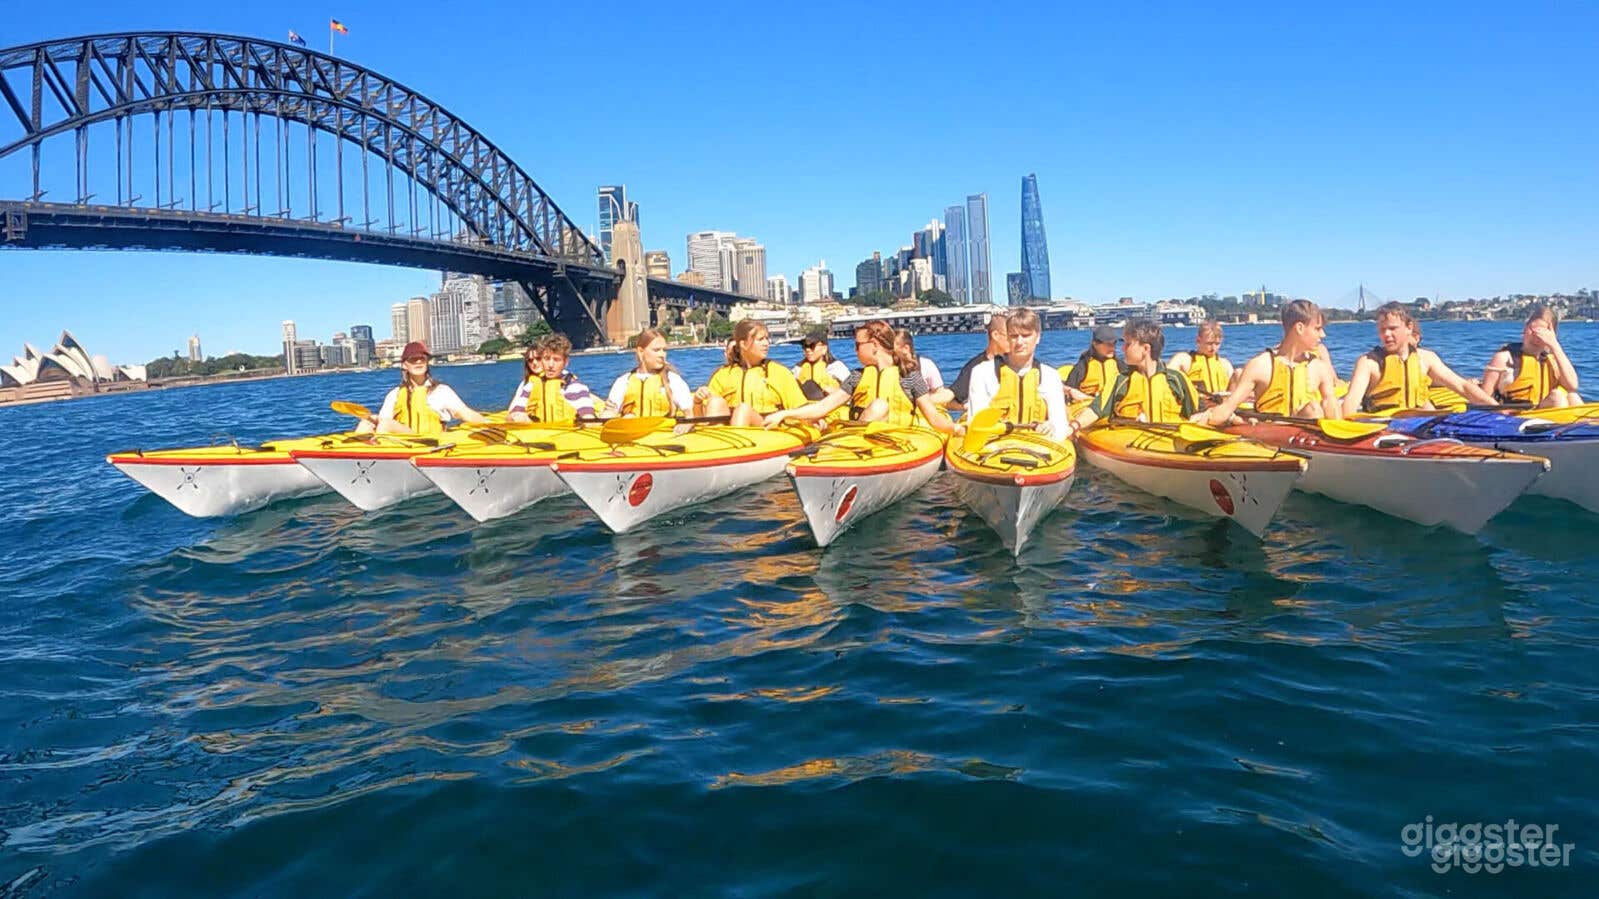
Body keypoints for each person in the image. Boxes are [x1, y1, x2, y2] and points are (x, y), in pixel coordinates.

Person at [764, 320, 955, 433]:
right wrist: (785, 414)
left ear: (874, 346)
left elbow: (934, 419)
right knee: (878, 406)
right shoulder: (857, 377)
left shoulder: (910, 377)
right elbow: (823, 407)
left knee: (880, 406)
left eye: (857, 345)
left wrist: (957, 429)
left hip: (897, 444)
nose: (854, 350)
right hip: (860, 443)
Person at [1195, 300, 1341, 425]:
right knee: (1313, 409)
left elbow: (1331, 406)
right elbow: (1228, 407)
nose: (1323, 334)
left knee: (1314, 409)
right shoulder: (1261, 365)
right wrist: (1207, 418)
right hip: (1270, 433)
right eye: (1317, 329)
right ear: (1300, 328)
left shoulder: (1319, 367)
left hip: (1308, 432)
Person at [1342, 302, 1495, 415]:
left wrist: (1497, 408)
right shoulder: (1368, 363)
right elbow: (1350, 406)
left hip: (1419, 425)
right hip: (1384, 428)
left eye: (1392, 328)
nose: (1386, 334)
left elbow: (1462, 387)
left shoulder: (1426, 358)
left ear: (1409, 328)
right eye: (1382, 329)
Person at [1068, 319, 1200, 434]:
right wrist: (1073, 427)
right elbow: (1096, 410)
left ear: (1145, 349)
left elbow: (1195, 415)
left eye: (1128, 344)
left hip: (1170, 441)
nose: (1122, 349)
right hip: (1130, 441)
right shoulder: (1120, 381)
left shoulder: (1177, 380)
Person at [964, 309, 1069, 441]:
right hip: (996, 445)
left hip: (1037, 444)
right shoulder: (982, 372)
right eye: (1014, 336)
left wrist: (1050, 426)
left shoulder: (1050, 376)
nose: (1019, 342)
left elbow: (1060, 426)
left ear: (1038, 337)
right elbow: (976, 422)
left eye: (1026, 335)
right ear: (1007, 338)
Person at [694, 319, 810, 427]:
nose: (766, 343)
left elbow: (800, 407)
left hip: (767, 428)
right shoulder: (723, 375)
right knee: (716, 402)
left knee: (743, 410)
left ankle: (739, 437)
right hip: (729, 432)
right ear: (743, 344)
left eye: (766, 338)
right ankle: (720, 441)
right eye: (760, 339)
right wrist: (697, 402)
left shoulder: (779, 372)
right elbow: (701, 419)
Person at [358, 341, 486, 436]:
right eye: (413, 359)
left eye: (422, 359)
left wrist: (488, 423)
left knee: (386, 424)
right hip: (402, 443)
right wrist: (373, 419)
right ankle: (357, 459)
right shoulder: (395, 394)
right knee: (365, 424)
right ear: (404, 365)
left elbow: (464, 412)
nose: (418, 362)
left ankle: (379, 458)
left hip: (429, 444)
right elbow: (383, 419)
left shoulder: (441, 391)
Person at [1481, 304, 1583, 408]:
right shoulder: (1504, 358)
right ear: (1525, 329)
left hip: (1544, 412)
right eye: (1533, 329)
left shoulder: (1553, 361)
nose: (1536, 336)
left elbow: (1572, 386)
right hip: (1514, 414)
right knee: (1556, 397)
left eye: (1543, 333)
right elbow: (1483, 398)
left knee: (1573, 396)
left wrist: (1554, 345)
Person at [508, 333, 597, 423]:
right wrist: (522, 417)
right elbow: (513, 415)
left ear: (565, 362)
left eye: (556, 360)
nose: (550, 365)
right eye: (546, 359)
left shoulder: (575, 387)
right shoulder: (531, 386)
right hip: (537, 429)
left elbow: (588, 417)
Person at [606, 327, 693, 418]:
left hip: (663, 426)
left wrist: (684, 423)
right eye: (656, 350)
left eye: (664, 350)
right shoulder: (623, 382)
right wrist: (609, 413)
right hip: (630, 425)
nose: (662, 355)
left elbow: (690, 415)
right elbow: (608, 414)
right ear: (641, 352)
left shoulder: (673, 380)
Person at [949, 313, 1011, 409]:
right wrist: (965, 406)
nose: (1015, 341)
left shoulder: (1018, 362)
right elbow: (952, 398)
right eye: (1010, 336)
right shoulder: (975, 367)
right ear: (995, 335)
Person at [1167, 321, 1234, 402]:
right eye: (1209, 343)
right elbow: (1166, 377)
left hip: (1222, 405)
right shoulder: (1185, 359)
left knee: (1238, 373)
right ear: (1198, 340)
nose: (1213, 348)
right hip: (1197, 405)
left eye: (1217, 344)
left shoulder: (1225, 364)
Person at [893, 328, 953, 405]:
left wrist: (922, 401)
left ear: (906, 348)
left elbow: (940, 393)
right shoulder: (890, 368)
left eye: (892, 348)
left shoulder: (926, 364)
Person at [1062, 325, 1121, 402]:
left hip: (1111, 403)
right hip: (1088, 403)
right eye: (1108, 344)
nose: (1113, 348)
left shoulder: (1118, 364)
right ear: (1095, 344)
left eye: (1114, 343)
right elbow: (1068, 390)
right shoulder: (1084, 365)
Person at [792, 328, 851, 399]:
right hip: (805, 404)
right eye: (805, 346)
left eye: (812, 346)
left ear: (824, 348)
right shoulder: (798, 369)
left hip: (830, 404)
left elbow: (852, 392)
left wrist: (834, 392)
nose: (807, 349)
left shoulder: (836, 367)